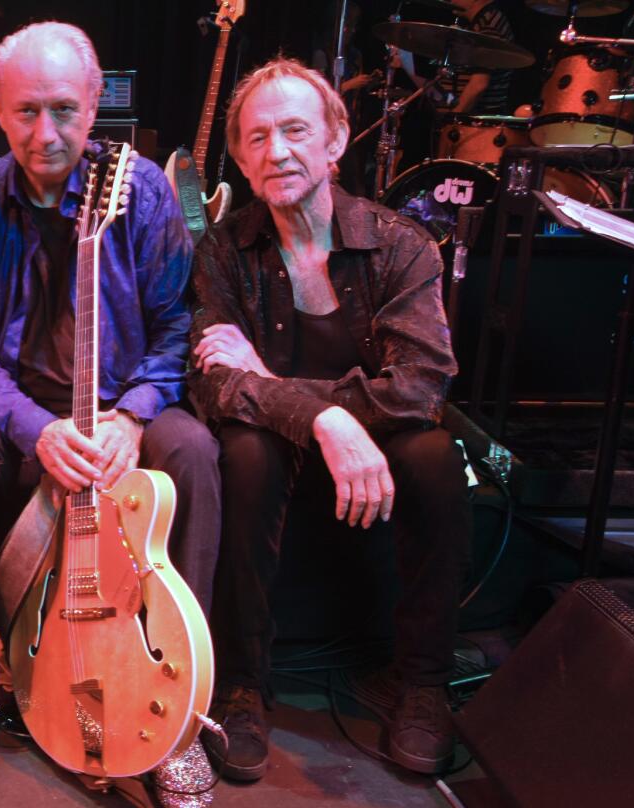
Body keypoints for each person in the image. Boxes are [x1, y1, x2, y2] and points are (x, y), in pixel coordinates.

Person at [0, 21, 222, 808]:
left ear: (95, 102)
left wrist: (135, 417)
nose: (47, 134)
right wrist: (34, 430)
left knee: (197, 454)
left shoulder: (140, 190)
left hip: (121, 412)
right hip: (21, 416)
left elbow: (176, 325)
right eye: (26, 113)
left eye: (66, 111)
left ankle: (179, 700)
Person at [189, 57, 471, 780]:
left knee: (436, 454)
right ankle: (244, 682)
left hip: (377, 443)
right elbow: (213, 385)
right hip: (287, 446)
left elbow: (419, 386)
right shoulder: (224, 249)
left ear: (336, 141)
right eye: (256, 138)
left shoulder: (401, 243)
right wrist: (321, 420)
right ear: (241, 160)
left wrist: (291, 394)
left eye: (293, 131)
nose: (275, 151)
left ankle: (423, 682)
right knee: (243, 450)